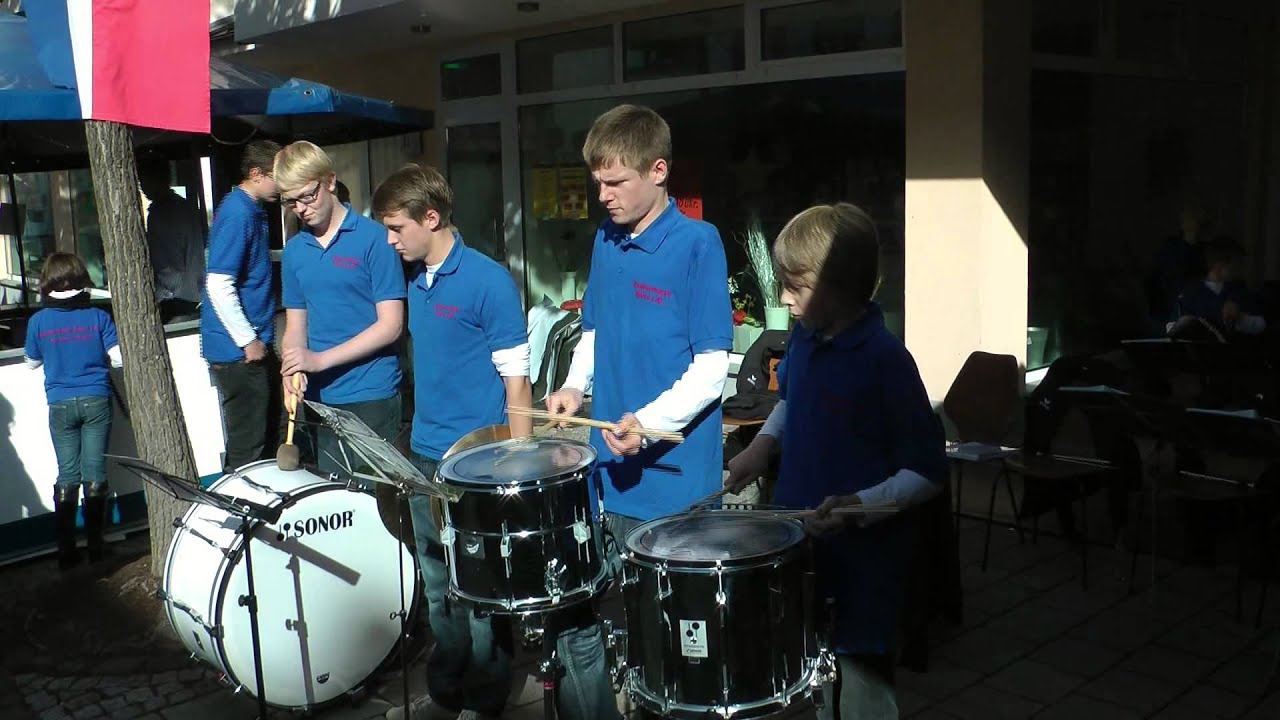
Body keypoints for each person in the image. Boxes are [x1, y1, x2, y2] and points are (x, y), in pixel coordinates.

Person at [544, 104, 733, 720]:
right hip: (608, 471)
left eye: (615, 182)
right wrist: (574, 385)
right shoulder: (606, 238)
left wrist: (647, 424)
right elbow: (593, 331)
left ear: (658, 171)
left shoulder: (698, 243)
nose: (603, 195)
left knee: (673, 642)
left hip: (673, 483)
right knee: (581, 622)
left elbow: (711, 368)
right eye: (597, 182)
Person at [724, 203, 947, 720]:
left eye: (795, 287)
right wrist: (762, 446)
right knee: (812, 684)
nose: (783, 298)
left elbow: (928, 471)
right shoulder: (804, 338)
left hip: (864, 568)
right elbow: (792, 401)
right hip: (801, 547)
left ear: (839, 287)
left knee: (863, 692)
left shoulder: (886, 360)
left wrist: (858, 505)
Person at [373, 164, 532, 720]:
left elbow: (517, 382)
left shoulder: (489, 281)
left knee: (480, 588)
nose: (390, 241)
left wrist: (519, 466)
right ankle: (446, 692)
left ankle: (487, 701)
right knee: (437, 582)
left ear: (431, 218)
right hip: (423, 455)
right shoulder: (415, 282)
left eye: (397, 228)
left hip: (478, 463)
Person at [276, 141, 406, 471]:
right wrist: (292, 366)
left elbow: (391, 325)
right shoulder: (294, 252)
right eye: (291, 201)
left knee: (374, 496)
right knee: (334, 495)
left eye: (308, 195)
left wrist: (319, 360)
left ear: (330, 181)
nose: (301, 208)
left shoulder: (376, 239)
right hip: (320, 399)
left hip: (371, 393)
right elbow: (296, 325)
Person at [24, 253, 123, 569]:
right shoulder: (98, 317)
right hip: (96, 399)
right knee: (95, 472)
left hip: (60, 403)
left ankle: (66, 551)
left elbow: (31, 362)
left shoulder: (38, 322)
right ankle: (96, 547)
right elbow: (119, 359)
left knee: (67, 473)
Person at [201, 140, 281, 472]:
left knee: (265, 440)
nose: (284, 184)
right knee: (250, 452)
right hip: (240, 353)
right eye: (279, 176)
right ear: (256, 174)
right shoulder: (238, 213)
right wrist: (248, 340)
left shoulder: (250, 209)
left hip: (248, 348)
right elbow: (219, 283)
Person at [138, 159, 207, 322]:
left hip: (174, 295)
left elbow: (166, 259)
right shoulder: (185, 207)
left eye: (144, 181)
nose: (142, 187)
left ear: (159, 179)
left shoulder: (163, 213)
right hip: (192, 293)